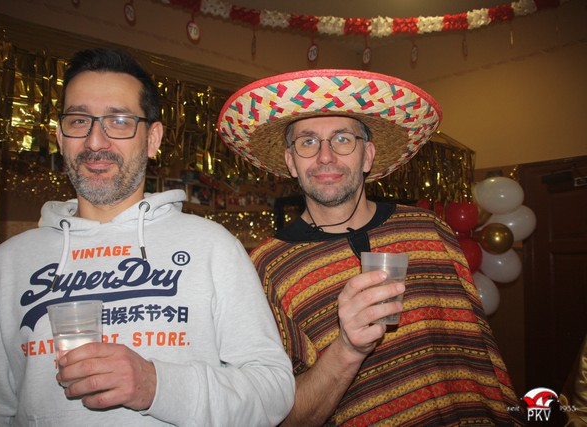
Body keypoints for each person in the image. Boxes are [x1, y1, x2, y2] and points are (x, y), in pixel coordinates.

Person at [0, 48, 294, 426]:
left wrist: (156, 385)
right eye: (79, 120)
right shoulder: (8, 263)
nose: (96, 141)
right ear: (61, 137)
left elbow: (273, 391)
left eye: (119, 121)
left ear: (152, 138)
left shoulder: (213, 247)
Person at [217, 69, 525, 426]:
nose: (325, 156)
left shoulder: (430, 232)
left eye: (342, 139)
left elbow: (482, 357)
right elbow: (283, 417)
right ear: (291, 162)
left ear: (367, 156)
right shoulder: (266, 268)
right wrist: (348, 349)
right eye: (308, 141)